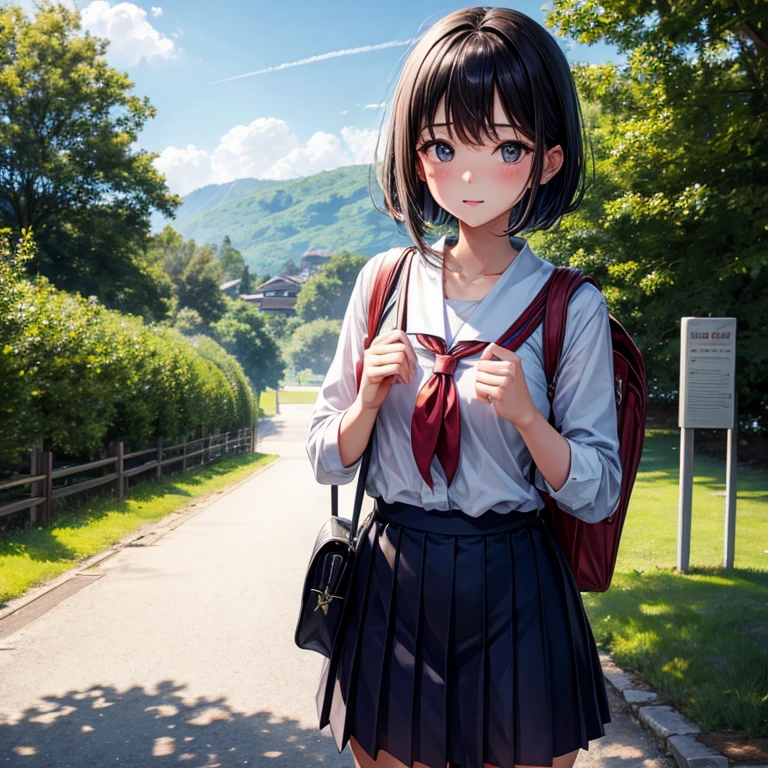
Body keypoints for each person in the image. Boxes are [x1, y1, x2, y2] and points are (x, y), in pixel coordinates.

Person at [305, 7, 623, 768]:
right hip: (393, 576)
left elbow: (597, 489)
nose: (471, 174)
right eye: (445, 145)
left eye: (506, 145)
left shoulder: (569, 306)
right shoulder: (382, 283)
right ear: (418, 156)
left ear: (546, 160)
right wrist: (367, 403)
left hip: (516, 579)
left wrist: (528, 419)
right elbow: (324, 454)